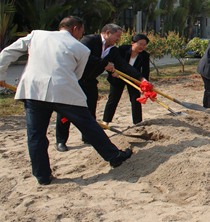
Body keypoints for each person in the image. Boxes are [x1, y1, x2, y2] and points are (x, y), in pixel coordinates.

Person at [0, 16, 133, 185]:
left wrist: (1, 73)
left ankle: (42, 176)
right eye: (81, 32)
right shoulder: (80, 48)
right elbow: (76, 74)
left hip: (33, 91)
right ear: (75, 28)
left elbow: (7, 52)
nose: (81, 36)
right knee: (89, 125)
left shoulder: (36, 35)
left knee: (35, 135)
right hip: (64, 91)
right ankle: (114, 156)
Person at [55, 24, 145, 152]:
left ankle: (87, 137)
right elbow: (86, 56)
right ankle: (61, 140)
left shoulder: (113, 49)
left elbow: (123, 65)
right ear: (108, 33)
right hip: (75, 81)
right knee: (66, 110)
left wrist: (141, 79)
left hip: (91, 82)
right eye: (117, 36)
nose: (118, 39)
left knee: (90, 111)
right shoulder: (90, 40)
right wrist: (104, 64)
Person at [102, 33, 151, 125]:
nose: (142, 47)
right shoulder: (121, 50)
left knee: (135, 99)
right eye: (140, 44)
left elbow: (145, 71)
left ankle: (138, 122)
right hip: (118, 76)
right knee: (113, 98)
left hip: (134, 78)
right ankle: (106, 121)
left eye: (144, 45)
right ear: (133, 43)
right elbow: (108, 62)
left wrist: (144, 84)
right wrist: (112, 72)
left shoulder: (144, 55)